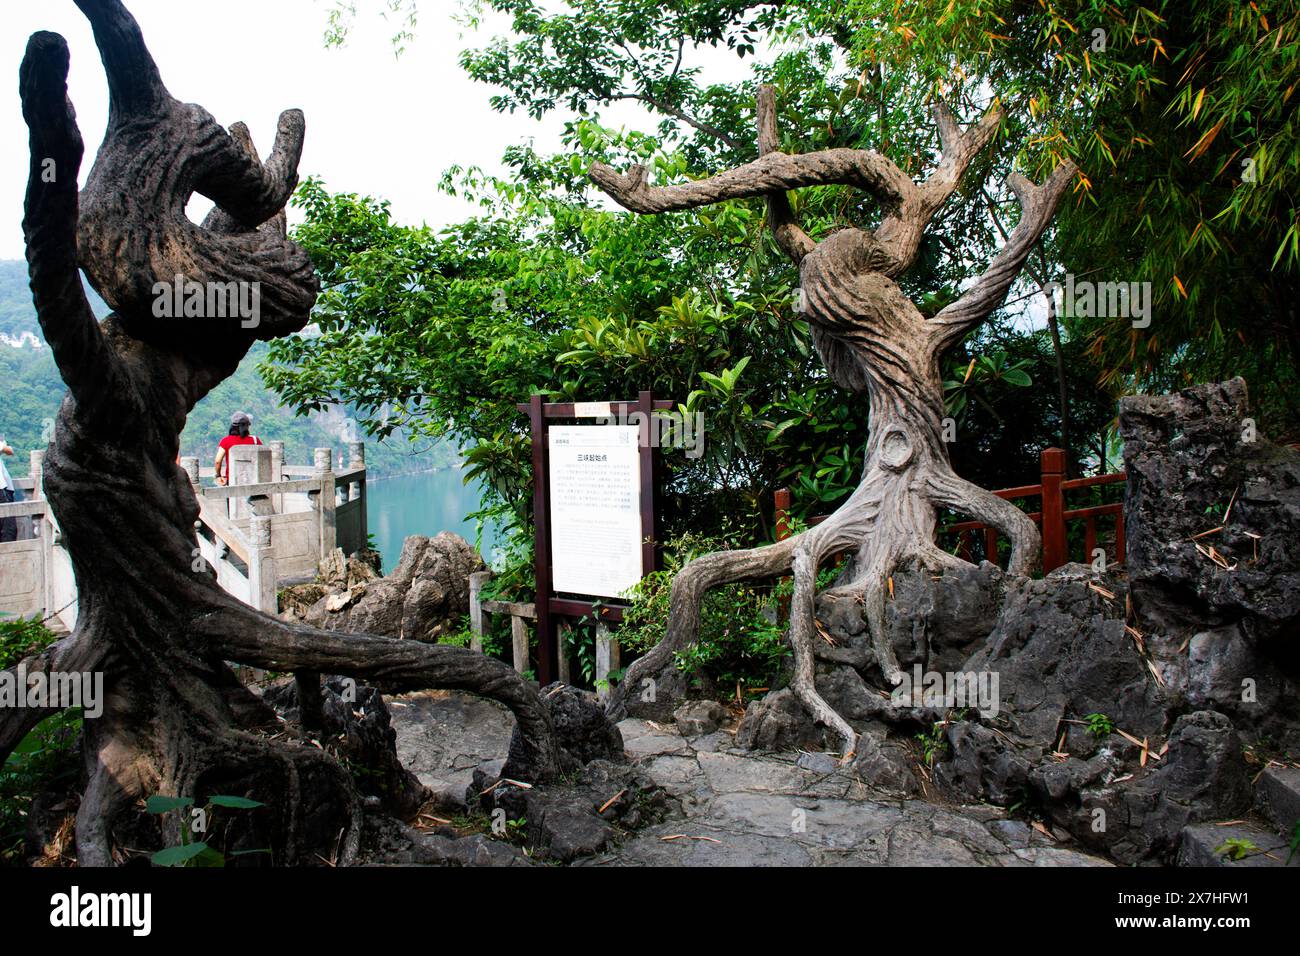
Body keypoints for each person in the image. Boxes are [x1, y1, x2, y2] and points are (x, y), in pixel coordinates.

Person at [213, 412, 263, 486]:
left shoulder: (226, 441)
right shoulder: (255, 440)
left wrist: (218, 475)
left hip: (233, 481)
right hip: (253, 481)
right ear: (247, 426)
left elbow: (218, 461)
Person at [0, 436, 17, 543]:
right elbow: (8, 450)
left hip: (4, 487)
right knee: (8, 528)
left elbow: (9, 451)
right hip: (1, 488)